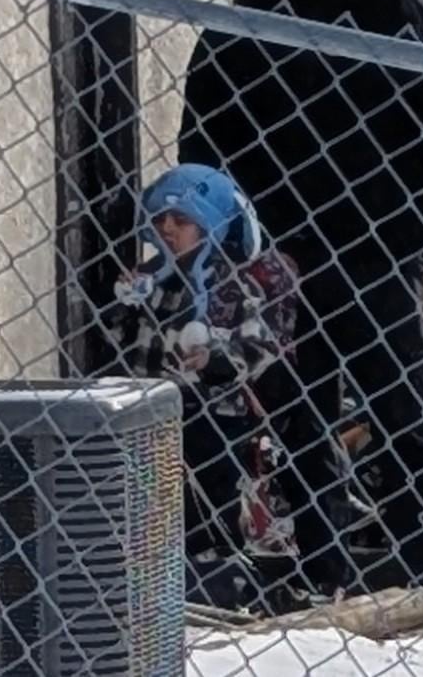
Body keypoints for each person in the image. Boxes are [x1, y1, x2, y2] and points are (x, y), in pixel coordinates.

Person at [178, 0, 423, 643]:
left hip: (379, 245)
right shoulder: (239, 29)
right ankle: (319, 571)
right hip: (281, 257)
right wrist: (213, 239)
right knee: (301, 416)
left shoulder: (375, 0)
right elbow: (204, 142)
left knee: (401, 415)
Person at [100, 162, 351, 605]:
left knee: (211, 493)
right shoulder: (156, 277)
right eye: (160, 221)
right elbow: (129, 344)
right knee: (151, 493)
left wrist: (219, 358)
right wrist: (125, 307)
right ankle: (161, 573)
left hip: (216, 409)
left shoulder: (238, 279)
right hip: (153, 405)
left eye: (181, 221)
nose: (168, 229)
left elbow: (263, 340)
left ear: (211, 223)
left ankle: (215, 572)